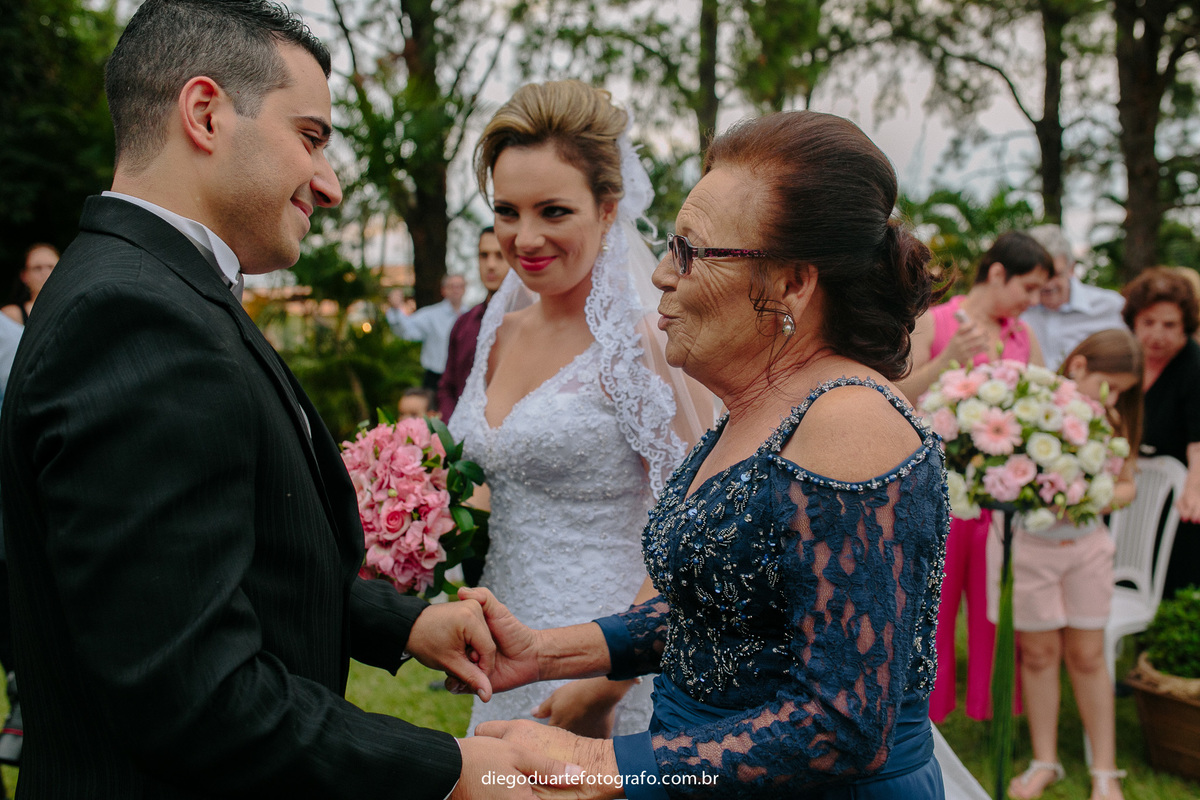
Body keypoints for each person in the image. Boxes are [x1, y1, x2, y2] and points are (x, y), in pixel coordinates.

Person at [0, 2, 571, 797]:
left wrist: (402, 622)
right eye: (310, 137)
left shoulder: (159, 289)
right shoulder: (134, 317)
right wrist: (451, 767)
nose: (330, 185)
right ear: (205, 114)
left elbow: (211, 572)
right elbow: (196, 694)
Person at [455, 109, 948, 799]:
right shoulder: (756, 406)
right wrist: (547, 652)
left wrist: (604, 764)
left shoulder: (849, 421)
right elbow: (724, 608)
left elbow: (841, 726)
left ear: (791, 283)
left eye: (690, 252)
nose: (661, 274)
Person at [449, 80, 711, 740]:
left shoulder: (647, 342)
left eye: (554, 211)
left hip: (611, 664)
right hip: (507, 651)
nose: (525, 237)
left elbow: (700, 524)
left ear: (608, 208)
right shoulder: (497, 330)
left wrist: (610, 679)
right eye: (507, 211)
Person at [900, 230, 1053, 723]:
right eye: (1029, 287)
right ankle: (930, 710)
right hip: (937, 489)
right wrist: (948, 362)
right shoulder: (936, 320)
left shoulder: (1022, 336)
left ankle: (992, 709)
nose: (1033, 300)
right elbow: (895, 394)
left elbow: (1044, 405)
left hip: (1001, 493)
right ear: (998, 273)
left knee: (994, 604)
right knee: (936, 605)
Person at [988, 329, 1142, 800]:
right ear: (1078, 367)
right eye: (1109, 386)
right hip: (1032, 550)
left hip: (1087, 551)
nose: (1112, 398)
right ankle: (1045, 760)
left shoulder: (1113, 421)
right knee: (1038, 655)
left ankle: (1105, 770)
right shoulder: (1033, 412)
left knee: (1088, 656)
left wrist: (1094, 496)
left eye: (1121, 392)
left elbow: (1128, 484)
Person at [1122, 267, 1200, 597]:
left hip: (1177, 483)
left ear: (1185, 326)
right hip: (1128, 481)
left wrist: (1194, 488)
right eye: (1148, 322)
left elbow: (1198, 441)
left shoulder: (1194, 365)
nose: (1157, 334)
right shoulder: (1126, 358)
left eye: (1169, 325)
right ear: (1134, 321)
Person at [1020, 225, 1125, 371]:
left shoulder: (1111, 307)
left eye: (1056, 275)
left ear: (1071, 268)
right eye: (1040, 275)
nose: (1048, 284)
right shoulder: (1017, 309)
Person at [438, 228, 508, 420]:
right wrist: (452, 427)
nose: (490, 265)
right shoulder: (464, 324)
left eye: (500, 255)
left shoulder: (534, 323)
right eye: (484, 255)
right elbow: (447, 386)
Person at [394, 273, 468, 389]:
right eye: (452, 286)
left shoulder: (471, 316)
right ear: (443, 290)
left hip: (464, 379)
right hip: (435, 380)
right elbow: (406, 330)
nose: (456, 290)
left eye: (459, 286)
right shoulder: (430, 315)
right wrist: (396, 309)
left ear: (464, 289)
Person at [2, 244, 58, 325]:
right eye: (37, 268)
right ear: (24, 276)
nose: (45, 273)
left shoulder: (73, 307)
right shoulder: (10, 315)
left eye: (51, 267)